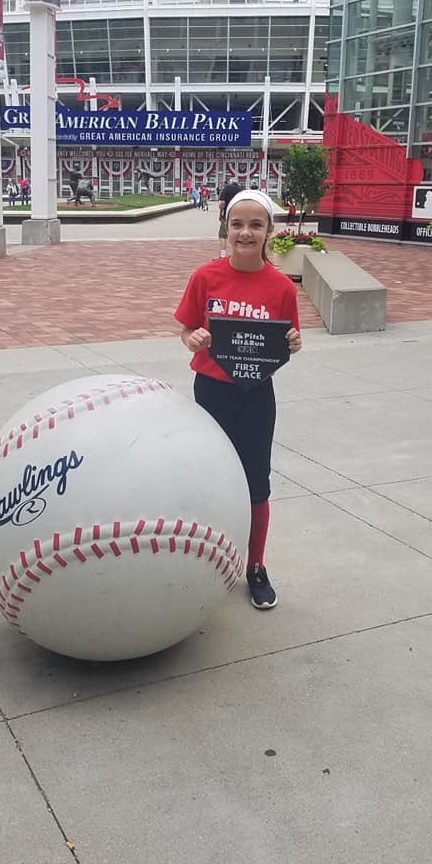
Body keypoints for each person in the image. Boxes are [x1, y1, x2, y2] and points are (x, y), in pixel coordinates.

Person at [174, 189, 302, 610]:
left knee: (255, 485)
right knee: (205, 479)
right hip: (211, 392)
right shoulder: (204, 277)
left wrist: (293, 342)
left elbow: (286, 336)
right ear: (225, 228)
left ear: (269, 232)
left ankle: (256, 566)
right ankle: (201, 561)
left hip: (255, 395)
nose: (245, 232)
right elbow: (187, 328)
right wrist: (192, 338)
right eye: (237, 224)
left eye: (255, 225)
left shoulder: (281, 286)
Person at [217, 180, 242, 257]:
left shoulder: (226, 188)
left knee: (223, 234)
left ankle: (223, 255)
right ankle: (237, 254)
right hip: (239, 215)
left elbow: (222, 203)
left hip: (227, 214)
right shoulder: (241, 190)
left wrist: (221, 211)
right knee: (238, 234)